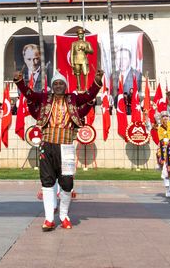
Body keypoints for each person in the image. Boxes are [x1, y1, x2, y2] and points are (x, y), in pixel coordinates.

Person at [14, 67, 103, 232]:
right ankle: (49, 219)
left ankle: (63, 216)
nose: (59, 86)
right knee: (47, 182)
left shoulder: (73, 99)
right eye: (56, 83)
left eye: (62, 83)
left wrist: (97, 80)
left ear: (66, 86)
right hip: (47, 145)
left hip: (67, 147)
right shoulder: (44, 98)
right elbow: (29, 94)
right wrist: (20, 81)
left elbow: (90, 95)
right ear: (52, 86)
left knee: (67, 184)